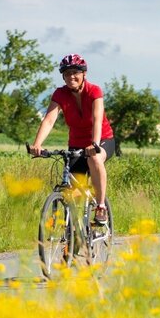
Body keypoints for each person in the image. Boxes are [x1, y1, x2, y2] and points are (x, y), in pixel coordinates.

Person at [29, 53, 115, 225]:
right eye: (67, 74)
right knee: (72, 190)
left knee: (95, 159)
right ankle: (74, 235)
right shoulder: (60, 94)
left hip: (102, 139)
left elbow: (98, 119)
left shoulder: (94, 91)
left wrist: (95, 143)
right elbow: (49, 120)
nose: (71, 77)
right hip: (76, 143)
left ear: (84, 74)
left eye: (75, 72)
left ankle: (100, 206)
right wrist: (37, 144)